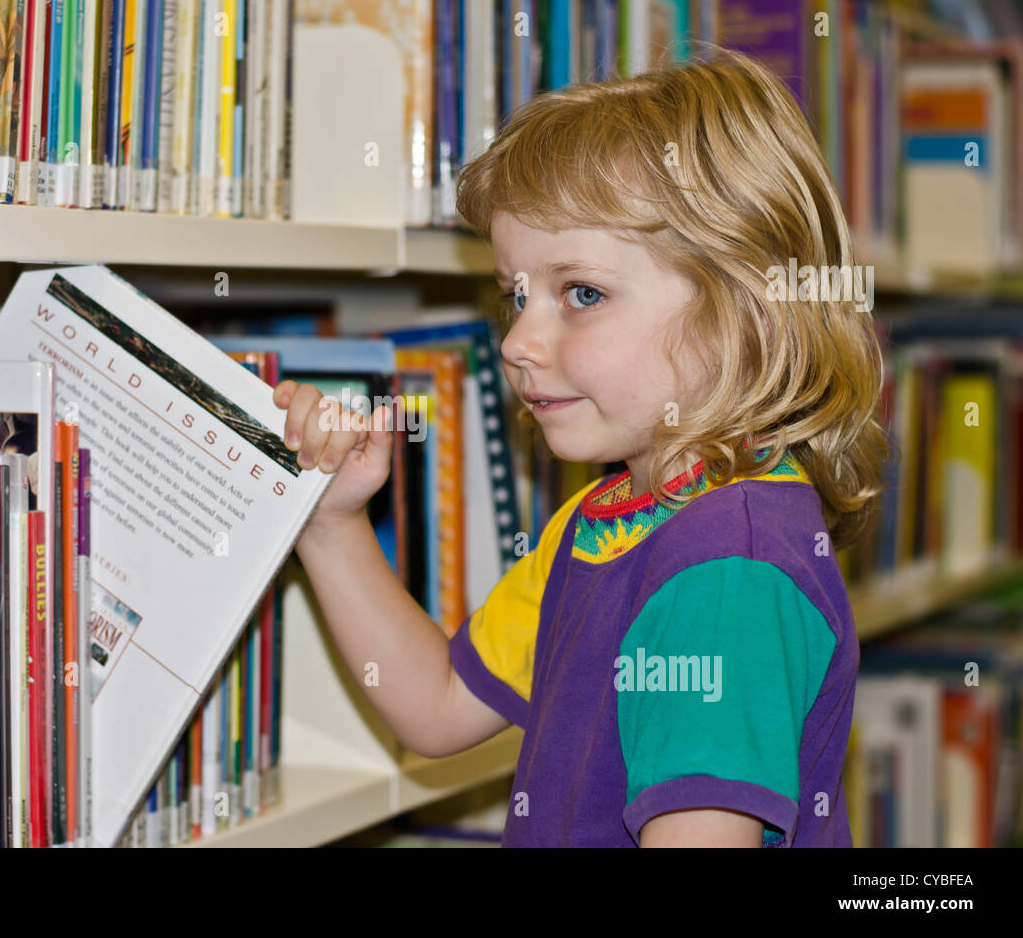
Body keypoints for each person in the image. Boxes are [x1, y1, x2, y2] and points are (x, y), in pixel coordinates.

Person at [272, 49, 887, 847]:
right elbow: (440, 702)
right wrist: (332, 522)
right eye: (515, 296)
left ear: (750, 312)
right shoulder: (609, 520)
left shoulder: (727, 568)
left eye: (583, 294)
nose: (519, 342)